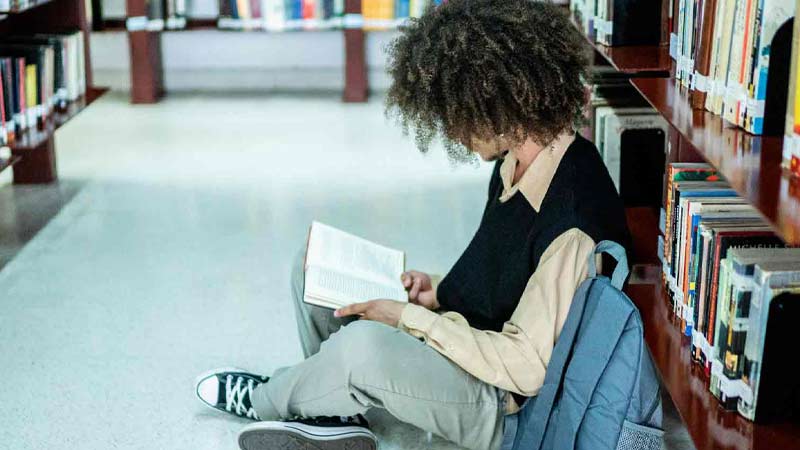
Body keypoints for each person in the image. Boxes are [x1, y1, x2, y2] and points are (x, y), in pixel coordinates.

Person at [195, 1, 631, 449]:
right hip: (471, 343)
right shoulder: (515, 163)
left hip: (505, 407)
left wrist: (410, 319)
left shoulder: (572, 222)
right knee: (312, 268)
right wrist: (436, 292)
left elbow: (526, 366)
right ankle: (332, 408)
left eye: (454, 113)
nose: (451, 132)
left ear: (494, 101)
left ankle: (271, 398)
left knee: (362, 347)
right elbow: (505, 278)